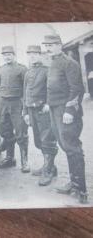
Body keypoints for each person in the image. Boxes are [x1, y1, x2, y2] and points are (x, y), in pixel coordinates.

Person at [43, 34, 87, 203]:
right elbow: (53, 87)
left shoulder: (69, 63)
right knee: (65, 145)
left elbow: (77, 89)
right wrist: (49, 104)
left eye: (52, 45)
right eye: (46, 45)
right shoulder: (52, 63)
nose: (48, 48)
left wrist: (69, 110)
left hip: (67, 111)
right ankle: (73, 182)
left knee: (72, 147)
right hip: (55, 110)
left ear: (60, 45)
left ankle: (81, 190)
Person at [23, 45, 58, 186]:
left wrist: (48, 104)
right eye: (29, 54)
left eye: (35, 54)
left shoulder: (47, 71)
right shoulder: (28, 72)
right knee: (38, 141)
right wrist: (25, 112)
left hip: (43, 110)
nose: (32, 56)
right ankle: (50, 166)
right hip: (31, 110)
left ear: (40, 55)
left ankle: (48, 171)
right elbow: (25, 93)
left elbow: (52, 89)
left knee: (47, 140)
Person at [0, 46, 30, 173]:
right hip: (3, 105)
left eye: (9, 54)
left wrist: (25, 109)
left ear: (14, 55)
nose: (7, 57)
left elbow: (27, 90)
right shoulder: (0, 70)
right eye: (4, 54)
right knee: (6, 132)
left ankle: (25, 162)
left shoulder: (22, 69)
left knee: (21, 133)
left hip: (17, 104)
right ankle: (10, 158)